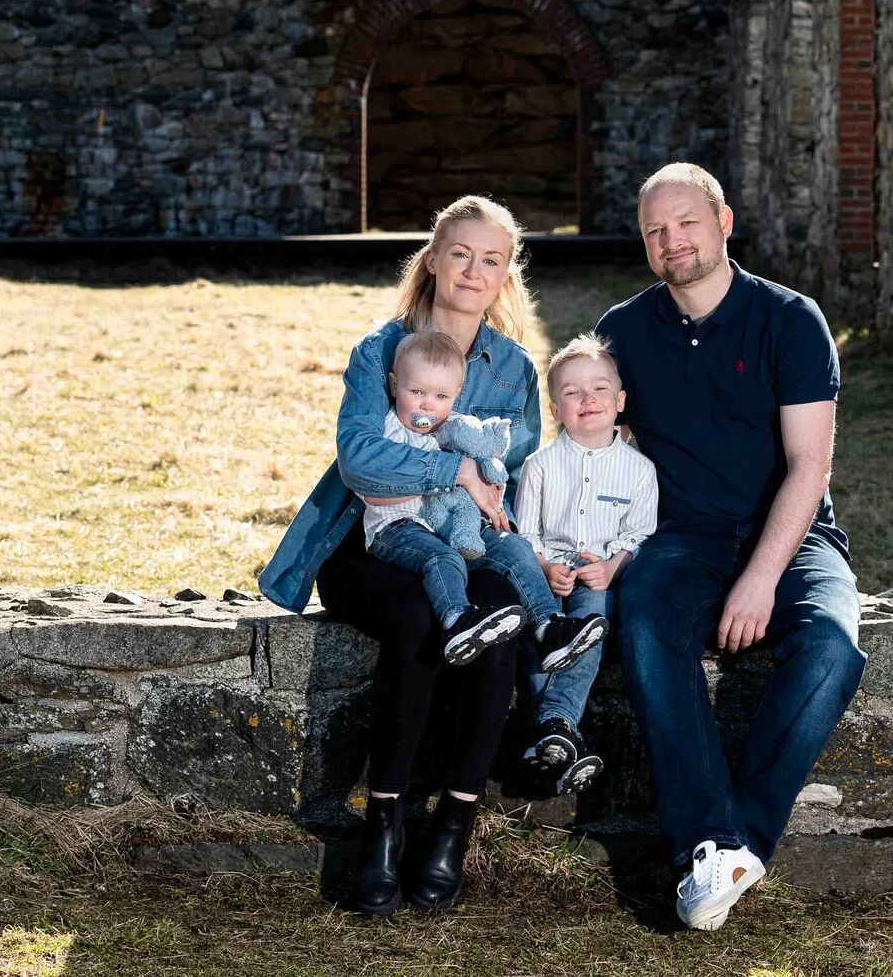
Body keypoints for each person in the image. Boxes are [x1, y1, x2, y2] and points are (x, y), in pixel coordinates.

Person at [259, 196, 544, 917]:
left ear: (505, 274)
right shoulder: (380, 350)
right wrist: (456, 471)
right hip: (371, 543)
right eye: (460, 254)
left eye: (491, 259)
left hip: (463, 546)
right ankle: (382, 822)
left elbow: (519, 475)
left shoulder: (514, 369)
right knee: (417, 613)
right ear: (434, 259)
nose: (473, 270)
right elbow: (360, 458)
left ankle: (454, 822)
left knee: (500, 618)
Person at [599, 162, 866, 932]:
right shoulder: (623, 330)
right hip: (680, 537)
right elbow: (598, 450)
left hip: (792, 531)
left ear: (723, 222)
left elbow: (810, 467)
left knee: (831, 648)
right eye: (655, 229)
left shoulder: (791, 318)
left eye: (686, 222)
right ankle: (714, 845)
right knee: (645, 621)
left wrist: (760, 576)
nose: (671, 240)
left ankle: (728, 844)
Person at [361, 329, 606, 672]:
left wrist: (488, 476)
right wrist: (443, 479)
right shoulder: (388, 431)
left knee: (513, 547)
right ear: (393, 385)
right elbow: (372, 487)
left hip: (452, 526)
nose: (427, 404)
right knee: (443, 557)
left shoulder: (452, 428)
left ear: (456, 395)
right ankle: (457, 620)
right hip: (398, 528)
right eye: (416, 392)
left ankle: (549, 626)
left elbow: (484, 460)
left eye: (441, 396)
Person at [514, 332, 658, 797]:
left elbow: (641, 534)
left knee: (590, 623)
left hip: (599, 577)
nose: (588, 399)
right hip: (548, 576)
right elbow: (524, 532)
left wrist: (613, 567)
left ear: (620, 402)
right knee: (539, 634)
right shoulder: (540, 466)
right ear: (556, 409)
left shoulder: (639, 470)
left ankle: (552, 726)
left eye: (599, 389)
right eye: (572, 392)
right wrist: (542, 566)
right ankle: (558, 733)